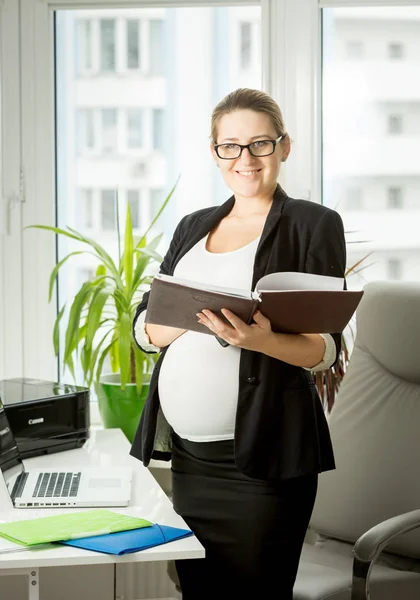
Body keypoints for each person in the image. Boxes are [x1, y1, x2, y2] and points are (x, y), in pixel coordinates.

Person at [130, 88, 346, 599]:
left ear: (284, 147)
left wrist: (258, 339)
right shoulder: (191, 226)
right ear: (215, 152)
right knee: (199, 592)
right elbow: (145, 330)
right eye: (231, 146)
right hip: (190, 460)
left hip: (263, 462)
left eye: (260, 144)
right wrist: (183, 316)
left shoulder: (312, 224)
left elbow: (325, 349)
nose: (244, 159)